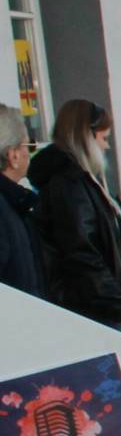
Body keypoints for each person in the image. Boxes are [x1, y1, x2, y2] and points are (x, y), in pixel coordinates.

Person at [32, 100, 121, 330]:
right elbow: (83, 252)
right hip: (92, 309)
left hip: (95, 303)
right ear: (86, 137)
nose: (106, 147)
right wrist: (116, 305)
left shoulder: (80, 180)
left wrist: (116, 209)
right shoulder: (70, 184)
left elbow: (90, 230)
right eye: (103, 138)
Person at [0, 105, 44, 298]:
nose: (30, 153)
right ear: (13, 155)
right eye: (29, 146)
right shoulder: (5, 209)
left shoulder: (14, 202)